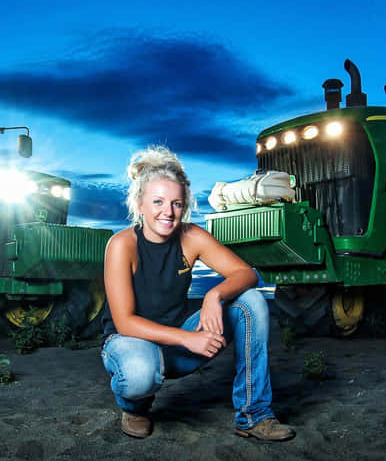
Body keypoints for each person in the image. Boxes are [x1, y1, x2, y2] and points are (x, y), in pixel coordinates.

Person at [100, 145, 295, 441]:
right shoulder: (121, 244)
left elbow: (247, 274)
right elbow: (125, 322)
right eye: (158, 202)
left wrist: (213, 296)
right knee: (140, 373)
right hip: (130, 343)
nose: (168, 212)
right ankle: (135, 407)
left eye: (176, 203)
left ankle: (254, 415)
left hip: (178, 345)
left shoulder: (192, 237)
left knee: (250, 301)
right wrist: (189, 338)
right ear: (140, 204)